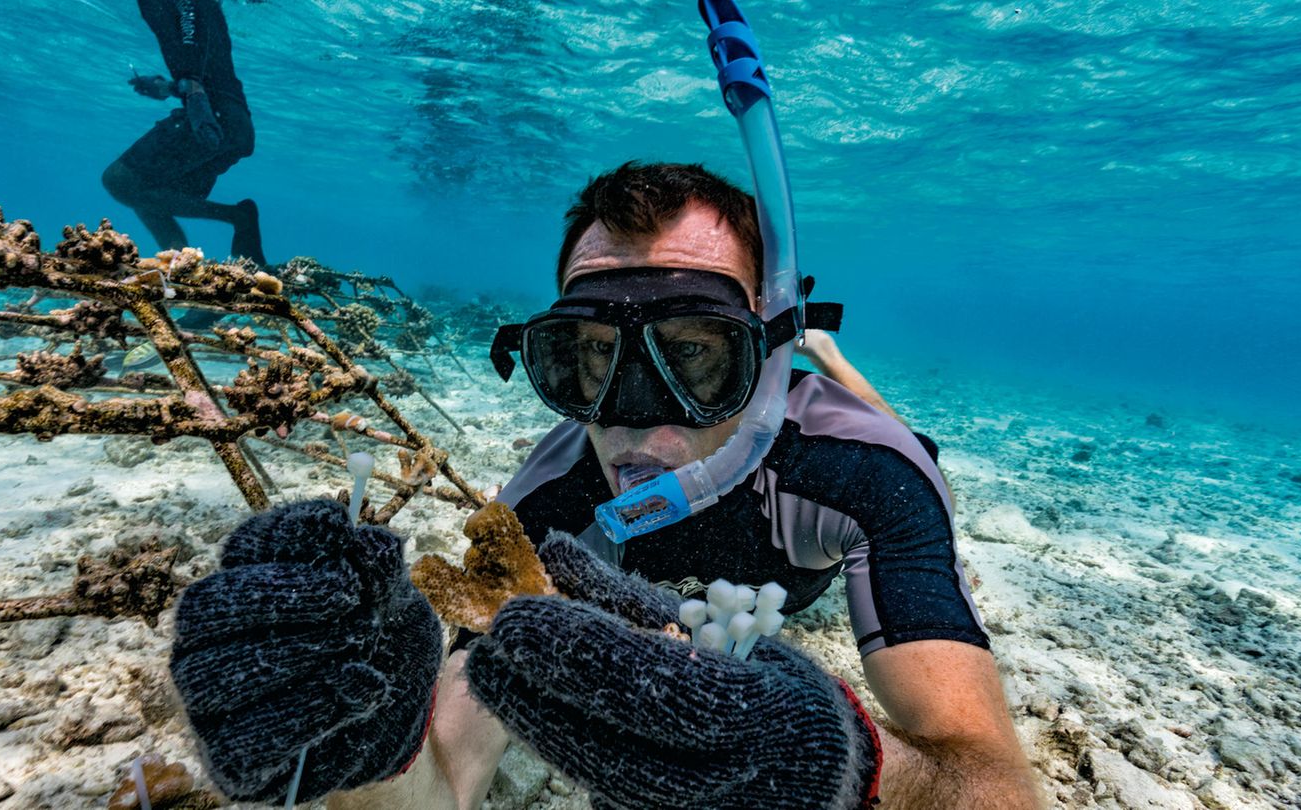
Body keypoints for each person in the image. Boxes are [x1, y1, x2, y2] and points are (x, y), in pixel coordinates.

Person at [168, 163, 1039, 809]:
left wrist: (851, 765)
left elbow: (996, 784)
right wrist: (363, 747)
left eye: (693, 353)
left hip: (822, 522)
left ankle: (834, 366)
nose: (630, 421)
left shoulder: (864, 477)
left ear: (759, 355)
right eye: (589, 357)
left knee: (911, 444)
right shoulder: (546, 506)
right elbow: (439, 781)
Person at [101, 0, 267, 272]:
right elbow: (203, 49)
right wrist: (171, 87)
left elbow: (192, 28)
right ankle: (183, 275)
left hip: (212, 119)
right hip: (232, 122)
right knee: (149, 194)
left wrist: (194, 93)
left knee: (120, 181)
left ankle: (238, 217)